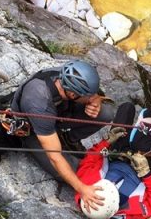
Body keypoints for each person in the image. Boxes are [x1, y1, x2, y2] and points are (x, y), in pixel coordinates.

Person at [10, 59, 116, 211]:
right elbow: (55, 156)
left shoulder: (67, 76)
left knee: (105, 113)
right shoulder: (40, 102)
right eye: (87, 96)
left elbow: (96, 95)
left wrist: (97, 100)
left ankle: (69, 138)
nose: (90, 98)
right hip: (33, 130)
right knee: (74, 171)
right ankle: (58, 138)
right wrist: (82, 189)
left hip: (59, 112)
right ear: (72, 94)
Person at [74, 104, 151, 219]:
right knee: (148, 137)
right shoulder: (131, 210)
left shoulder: (87, 185)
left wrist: (106, 142)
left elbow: (90, 159)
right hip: (140, 163)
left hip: (117, 153)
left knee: (126, 109)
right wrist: (146, 173)